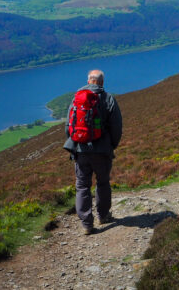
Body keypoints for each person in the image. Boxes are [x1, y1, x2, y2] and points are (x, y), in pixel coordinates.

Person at [63, 69, 122, 235]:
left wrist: (76, 143)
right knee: (102, 183)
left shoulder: (76, 99)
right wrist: (111, 145)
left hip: (80, 151)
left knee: (82, 186)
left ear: (88, 81)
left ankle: (87, 224)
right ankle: (103, 216)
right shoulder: (108, 98)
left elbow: (68, 126)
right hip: (102, 150)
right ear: (102, 82)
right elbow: (116, 127)